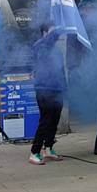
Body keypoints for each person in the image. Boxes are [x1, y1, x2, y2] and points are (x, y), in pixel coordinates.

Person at [29, 25, 67, 165]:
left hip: (57, 90)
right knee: (45, 121)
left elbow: (61, 71)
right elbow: (49, 40)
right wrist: (60, 27)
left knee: (54, 121)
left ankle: (48, 148)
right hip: (44, 89)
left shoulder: (57, 51)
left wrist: (65, 89)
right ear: (45, 32)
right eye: (52, 31)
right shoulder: (40, 46)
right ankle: (34, 152)